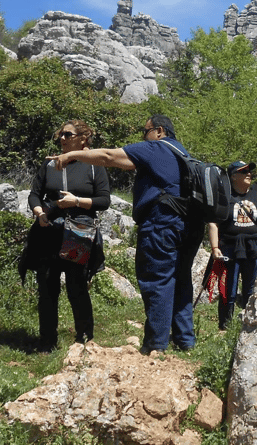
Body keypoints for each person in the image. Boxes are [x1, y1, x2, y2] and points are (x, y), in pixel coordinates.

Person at [47, 114, 203, 355]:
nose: (144, 136)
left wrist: (72, 155)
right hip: (191, 226)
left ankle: (155, 345)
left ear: (159, 131)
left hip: (162, 223)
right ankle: (186, 341)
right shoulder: (183, 153)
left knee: (157, 280)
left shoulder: (155, 147)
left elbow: (110, 157)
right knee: (181, 279)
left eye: (146, 130)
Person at [22, 120, 111, 351]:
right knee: (47, 286)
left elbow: (104, 200)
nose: (62, 138)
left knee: (77, 285)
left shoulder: (94, 165)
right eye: (61, 135)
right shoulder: (50, 164)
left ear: (83, 138)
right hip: (49, 231)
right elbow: (34, 194)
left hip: (78, 234)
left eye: (68, 134)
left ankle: (84, 339)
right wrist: (39, 211)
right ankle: (47, 342)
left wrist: (77, 201)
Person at [208, 161, 257, 330]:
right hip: (230, 247)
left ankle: (247, 326)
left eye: (250, 171)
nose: (249, 174)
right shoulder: (224, 196)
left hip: (255, 247)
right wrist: (215, 248)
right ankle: (225, 327)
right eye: (243, 171)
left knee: (251, 290)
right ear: (233, 176)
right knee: (228, 290)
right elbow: (213, 224)